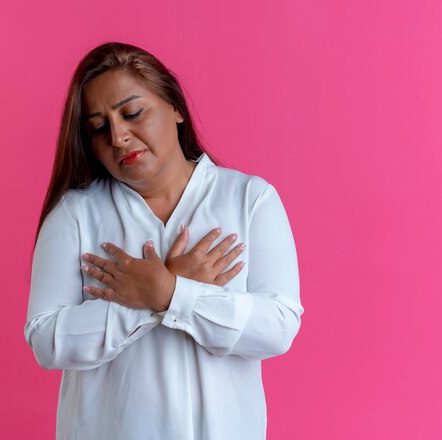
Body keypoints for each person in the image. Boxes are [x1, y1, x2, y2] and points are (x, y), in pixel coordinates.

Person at [24, 41, 303, 440]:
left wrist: (171, 293)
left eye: (133, 112)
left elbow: (277, 327)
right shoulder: (75, 214)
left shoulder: (249, 199)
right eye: (99, 127)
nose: (119, 136)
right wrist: (152, 299)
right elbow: (46, 340)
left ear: (175, 108)